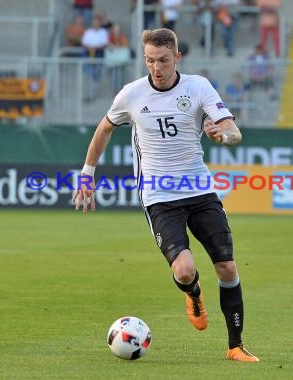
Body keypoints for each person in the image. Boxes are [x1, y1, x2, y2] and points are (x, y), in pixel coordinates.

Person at [71, 28, 259, 363]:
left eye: (163, 60)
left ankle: (235, 346)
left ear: (176, 58)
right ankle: (194, 294)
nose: (156, 67)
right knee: (185, 270)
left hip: (200, 189)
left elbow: (233, 131)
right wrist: (87, 174)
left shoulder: (197, 86)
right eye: (150, 60)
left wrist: (222, 136)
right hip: (158, 194)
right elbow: (104, 128)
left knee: (228, 268)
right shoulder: (131, 94)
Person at [81, 15, 109, 101]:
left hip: (98, 54)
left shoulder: (103, 32)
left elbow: (105, 43)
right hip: (89, 54)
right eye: (95, 22)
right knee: (89, 75)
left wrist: (96, 48)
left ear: (100, 23)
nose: (96, 23)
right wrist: (90, 47)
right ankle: (89, 94)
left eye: (97, 22)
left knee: (97, 75)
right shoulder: (88, 32)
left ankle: (94, 94)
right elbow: (84, 42)